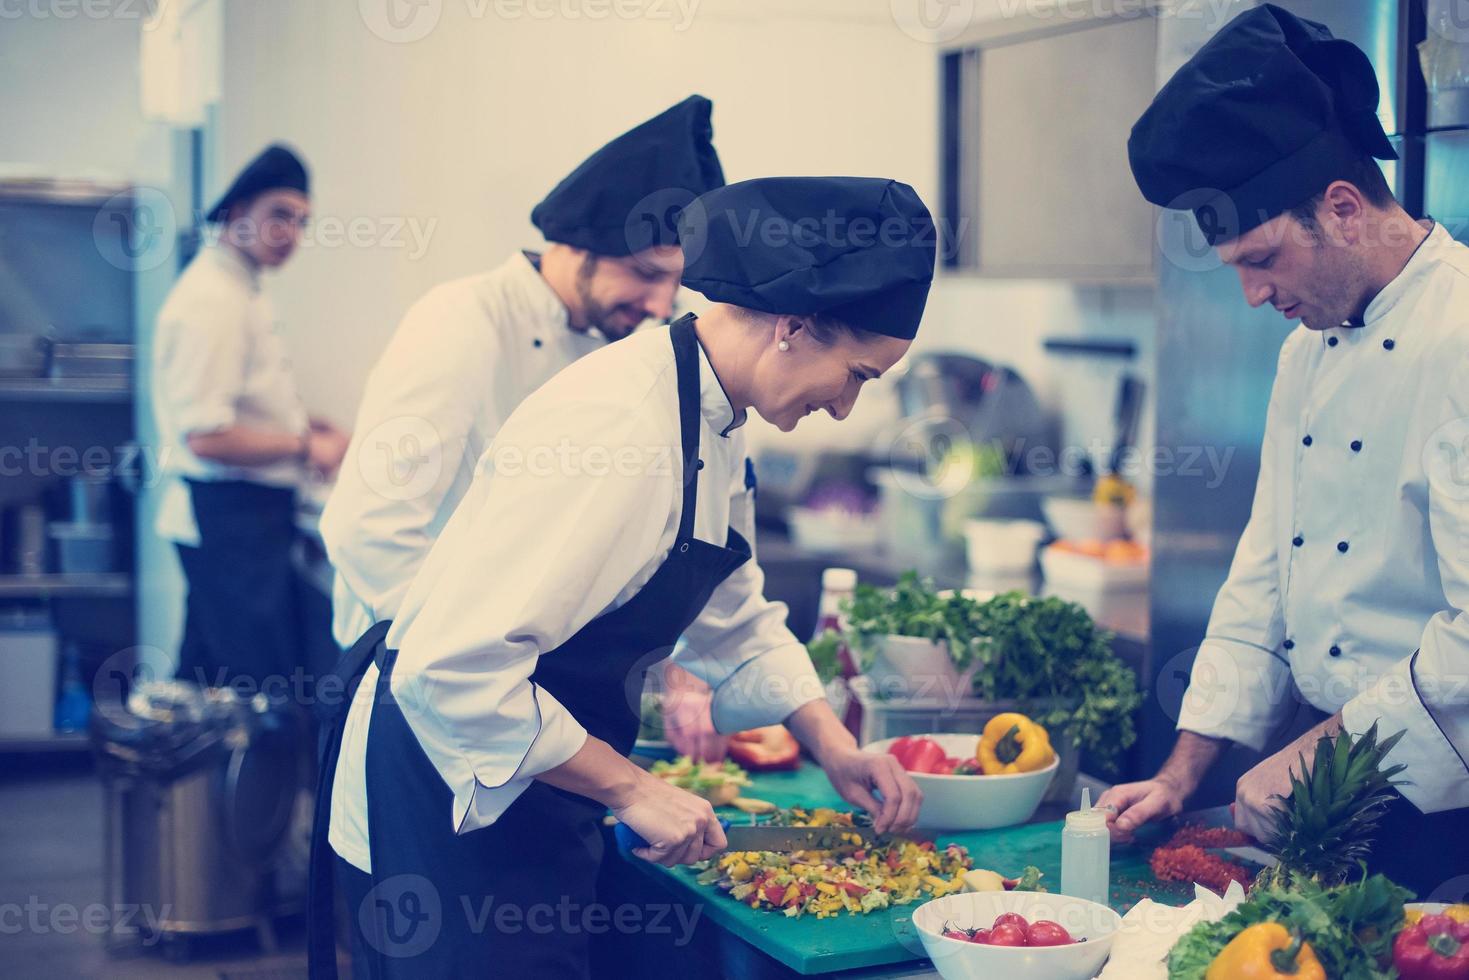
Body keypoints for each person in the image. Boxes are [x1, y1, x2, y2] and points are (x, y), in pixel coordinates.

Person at [307, 175, 935, 977]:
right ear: (792, 327)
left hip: (540, 778)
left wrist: (832, 742)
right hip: (447, 793)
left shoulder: (715, 411)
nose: (846, 408)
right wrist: (632, 787)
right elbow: (451, 665)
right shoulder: (618, 429)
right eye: (857, 375)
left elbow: (732, 610)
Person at [1101, 3, 1469, 893]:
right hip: (1332, 798)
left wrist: (1322, 752)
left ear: (1342, 208)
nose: (1252, 297)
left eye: (1260, 260)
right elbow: (1263, 576)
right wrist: (1181, 774)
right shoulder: (1308, 348)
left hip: (1447, 820)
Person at [320, 96, 725, 651]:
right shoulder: (463, 319)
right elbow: (369, 528)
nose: (659, 304)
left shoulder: (621, 348)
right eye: (643, 274)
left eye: (672, 284)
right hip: (407, 664)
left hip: (521, 668)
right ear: (576, 242)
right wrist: (457, 658)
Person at [153, 143, 350, 692]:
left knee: (205, 679)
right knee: (258, 687)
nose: (292, 233)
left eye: (303, 221)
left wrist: (306, 426)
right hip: (230, 513)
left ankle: (182, 778)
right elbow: (207, 436)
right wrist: (304, 446)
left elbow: (238, 400)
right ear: (238, 212)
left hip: (244, 514)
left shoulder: (236, 286)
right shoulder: (212, 299)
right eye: (280, 215)